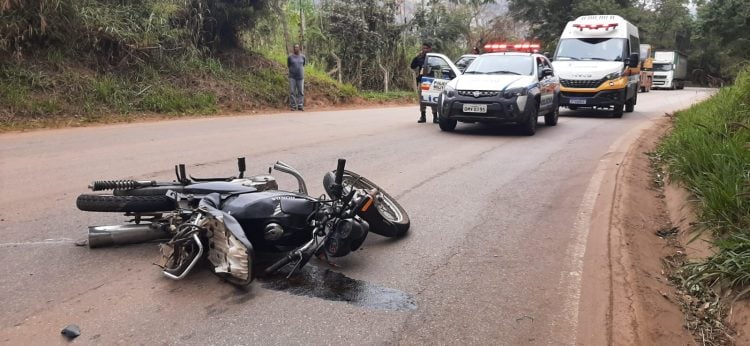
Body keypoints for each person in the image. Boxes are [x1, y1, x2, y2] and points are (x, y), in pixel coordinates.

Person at [410, 43, 437, 123]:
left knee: (432, 99)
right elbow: (412, 66)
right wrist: (416, 57)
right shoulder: (419, 58)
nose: (424, 50)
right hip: (422, 81)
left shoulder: (433, 58)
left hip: (431, 81)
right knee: (422, 99)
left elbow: (438, 67)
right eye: (423, 48)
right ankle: (423, 116)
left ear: (430, 49)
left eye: (426, 48)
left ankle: (435, 117)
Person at [287, 44, 306, 111]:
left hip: (300, 77)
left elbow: (303, 65)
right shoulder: (290, 57)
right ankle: (293, 106)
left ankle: (300, 105)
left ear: (299, 48)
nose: (296, 48)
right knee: (292, 91)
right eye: (295, 47)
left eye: (297, 47)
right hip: (292, 77)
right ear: (293, 48)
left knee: (300, 92)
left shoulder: (303, 57)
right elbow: (288, 65)